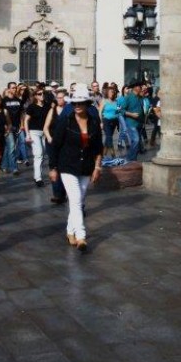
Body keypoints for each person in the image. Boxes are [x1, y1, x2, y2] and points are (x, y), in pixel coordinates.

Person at [51, 84, 102, 251]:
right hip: (67, 165)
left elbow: (98, 147)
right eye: (75, 104)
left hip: (86, 166)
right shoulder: (66, 121)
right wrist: (53, 167)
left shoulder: (94, 122)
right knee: (75, 199)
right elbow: (55, 145)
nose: (77, 106)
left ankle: (69, 230)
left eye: (80, 103)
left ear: (87, 104)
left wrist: (97, 167)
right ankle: (81, 236)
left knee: (79, 200)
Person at [43, 88, 68, 203]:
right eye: (57, 97)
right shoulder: (52, 110)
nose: (59, 99)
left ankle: (63, 193)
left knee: (63, 166)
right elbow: (46, 127)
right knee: (53, 166)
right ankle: (57, 194)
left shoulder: (68, 110)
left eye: (61, 97)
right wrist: (48, 137)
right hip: (52, 142)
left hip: (64, 143)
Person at [24, 88, 51, 187]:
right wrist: (27, 134)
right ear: (35, 96)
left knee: (43, 155)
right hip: (34, 132)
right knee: (38, 154)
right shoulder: (31, 107)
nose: (42, 95)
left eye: (43, 93)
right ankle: (38, 178)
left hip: (45, 133)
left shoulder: (48, 106)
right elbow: (26, 120)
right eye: (39, 94)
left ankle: (38, 175)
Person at [118, 82, 144, 161]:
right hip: (131, 122)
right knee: (136, 140)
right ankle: (129, 158)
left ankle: (133, 159)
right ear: (136, 87)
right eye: (140, 86)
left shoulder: (139, 97)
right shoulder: (128, 98)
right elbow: (121, 110)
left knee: (136, 142)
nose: (141, 88)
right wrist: (131, 114)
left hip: (139, 123)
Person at [99, 86, 119, 158]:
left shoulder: (116, 101)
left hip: (114, 121)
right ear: (107, 93)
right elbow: (100, 112)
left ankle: (103, 155)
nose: (112, 94)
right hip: (106, 120)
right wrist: (101, 122)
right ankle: (113, 154)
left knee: (108, 138)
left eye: (113, 92)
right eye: (110, 92)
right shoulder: (104, 101)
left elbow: (117, 111)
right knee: (109, 136)